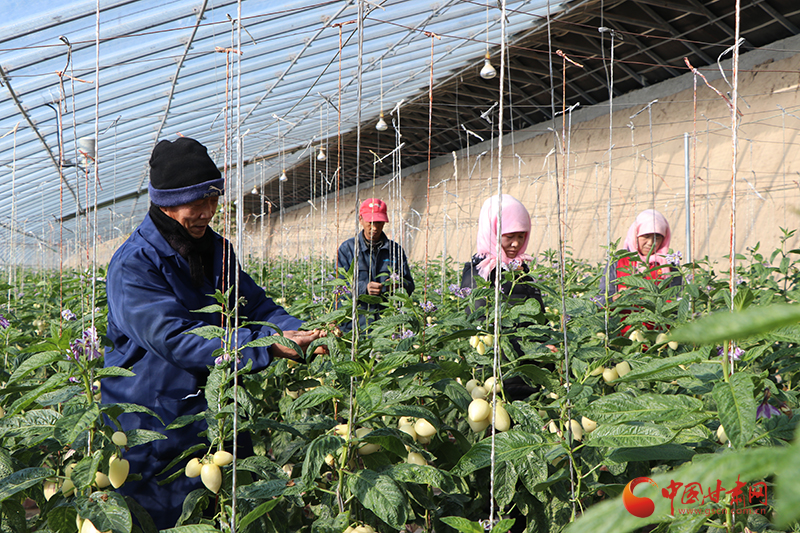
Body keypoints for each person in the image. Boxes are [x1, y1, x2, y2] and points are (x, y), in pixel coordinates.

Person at [103, 137, 324, 529]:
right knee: (165, 519)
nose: (208, 212)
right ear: (165, 203)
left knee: (223, 513)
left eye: (214, 199)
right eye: (196, 203)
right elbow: (176, 338)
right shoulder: (134, 265)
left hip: (215, 412)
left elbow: (253, 304)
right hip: (156, 423)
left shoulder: (217, 250)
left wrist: (290, 329)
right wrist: (265, 348)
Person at [460, 194, 548, 401]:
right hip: (498, 373)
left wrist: (545, 345)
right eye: (509, 236)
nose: (516, 244)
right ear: (492, 231)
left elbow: (537, 318)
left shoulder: (521, 270)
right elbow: (481, 325)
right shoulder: (480, 272)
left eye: (522, 236)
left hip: (527, 368)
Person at [336, 198, 415, 331]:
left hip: (386, 324)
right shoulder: (348, 249)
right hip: (355, 325)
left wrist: (397, 285)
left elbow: (409, 285)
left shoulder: (395, 251)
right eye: (371, 222)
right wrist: (364, 288)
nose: (375, 227)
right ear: (361, 219)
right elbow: (339, 286)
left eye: (379, 222)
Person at [598, 208, 682, 333]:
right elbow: (601, 299)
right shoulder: (618, 261)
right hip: (624, 335)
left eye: (657, 238)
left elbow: (675, 303)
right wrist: (616, 298)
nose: (651, 243)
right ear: (635, 234)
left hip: (659, 336)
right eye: (646, 236)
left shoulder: (669, 265)